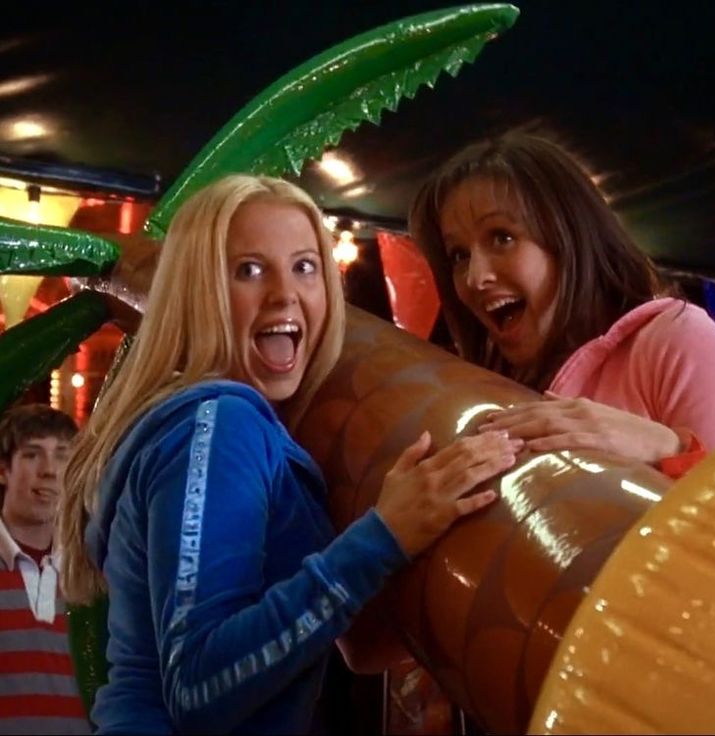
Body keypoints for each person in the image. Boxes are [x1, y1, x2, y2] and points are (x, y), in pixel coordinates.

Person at [57, 174, 520, 735]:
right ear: (197, 291)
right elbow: (201, 687)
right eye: (249, 270)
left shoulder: (216, 422)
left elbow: (356, 650)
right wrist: (382, 538)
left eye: (304, 267)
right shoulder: (221, 420)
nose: (284, 294)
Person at [409, 131, 715, 476]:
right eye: (459, 255)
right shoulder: (482, 386)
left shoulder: (674, 339)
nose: (475, 277)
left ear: (570, 237)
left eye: (502, 238)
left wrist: (669, 448)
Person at [0, 403, 90, 735]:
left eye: (62, 455)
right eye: (32, 455)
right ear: (3, 469)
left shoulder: (97, 573)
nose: (50, 470)